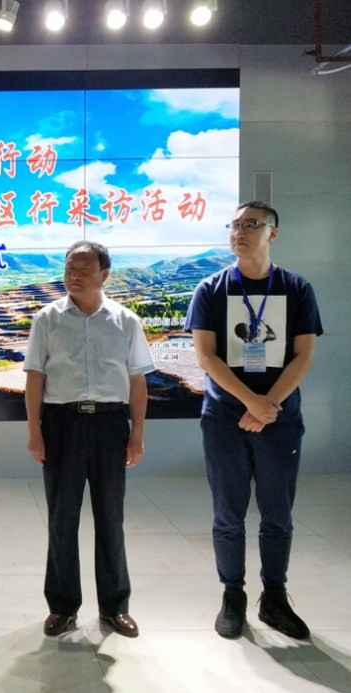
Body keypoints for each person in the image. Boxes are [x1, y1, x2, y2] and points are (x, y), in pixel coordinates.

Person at [185, 201, 322, 640]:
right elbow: (206, 356)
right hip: (225, 416)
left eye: (251, 225)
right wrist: (250, 402)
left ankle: (275, 598)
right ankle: (233, 595)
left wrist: (268, 406)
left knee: (277, 512)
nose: (239, 232)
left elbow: (303, 355)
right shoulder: (211, 289)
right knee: (228, 512)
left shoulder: (297, 289)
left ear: (272, 234)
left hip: (279, 417)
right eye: (234, 225)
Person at [24, 240, 154, 639]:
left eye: (83, 269)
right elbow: (35, 377)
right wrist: (34, 431)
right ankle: (62, 607)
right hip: (61, 424)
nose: (74, 275)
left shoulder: (125, 321)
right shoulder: (47, 319)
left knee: (110, 518)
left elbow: (137, 381)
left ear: (104, 275)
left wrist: (137, 433)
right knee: (62, 520)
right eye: (70, 268)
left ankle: (115, 607)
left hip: (111, 425)